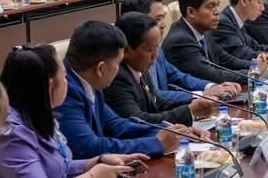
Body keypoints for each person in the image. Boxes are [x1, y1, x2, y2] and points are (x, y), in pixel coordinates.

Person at [0, 44, 136, 178]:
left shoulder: (35, 115)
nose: (67, 83)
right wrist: (93, 177)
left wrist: (97, 161)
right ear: (50, 85)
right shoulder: (11, 134)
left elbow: (57, 168)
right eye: (65, 77)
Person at [57, 20, 179, 159]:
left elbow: (116, 125)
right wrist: (155, 144)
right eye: (118, 63)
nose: (119, 69)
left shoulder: (89, 77)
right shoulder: (64, 91)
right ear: (101, 69)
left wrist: (170, 133)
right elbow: (88, 147)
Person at [117, 0, 247, 104]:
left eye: (163, 18)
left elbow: (178, 76)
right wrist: (202, 95)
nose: (163, 24)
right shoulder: (129, 61)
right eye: (157, 19)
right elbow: (154, 95)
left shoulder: (157, 49)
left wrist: (210, 87)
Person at [105, 12, 218, 126]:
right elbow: (138, 120)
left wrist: (195, 102)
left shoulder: (139, 68)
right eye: (150, 50)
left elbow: (157, 103)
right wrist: (190, 111)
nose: (156, 56)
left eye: (157, 48)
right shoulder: (117, 78)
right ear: (127, 51)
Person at [170, 0, 268, 83]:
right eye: (211, 6)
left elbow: (226, 60)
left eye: (217, 5)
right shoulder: (180, 40)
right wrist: (252, 73)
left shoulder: (203, 30)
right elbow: (211, 75)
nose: (217, 12)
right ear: (191, 12)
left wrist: (256, 65)